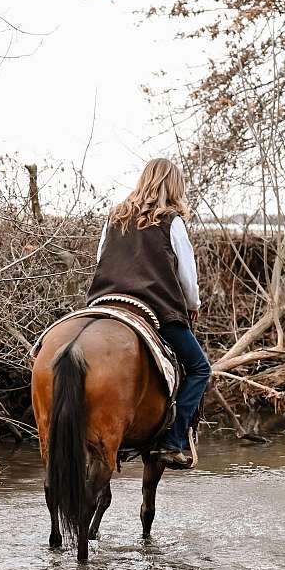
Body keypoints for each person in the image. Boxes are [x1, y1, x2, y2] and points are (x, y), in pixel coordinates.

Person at [87, 157, 211, 468]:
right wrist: (192, 306)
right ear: (174, 187)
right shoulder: (172, 221)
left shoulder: (115, 217)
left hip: (104, 303)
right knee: (199, 369)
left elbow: (101, 258)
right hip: (153, 306)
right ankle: (174, 440)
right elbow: (187, 277)